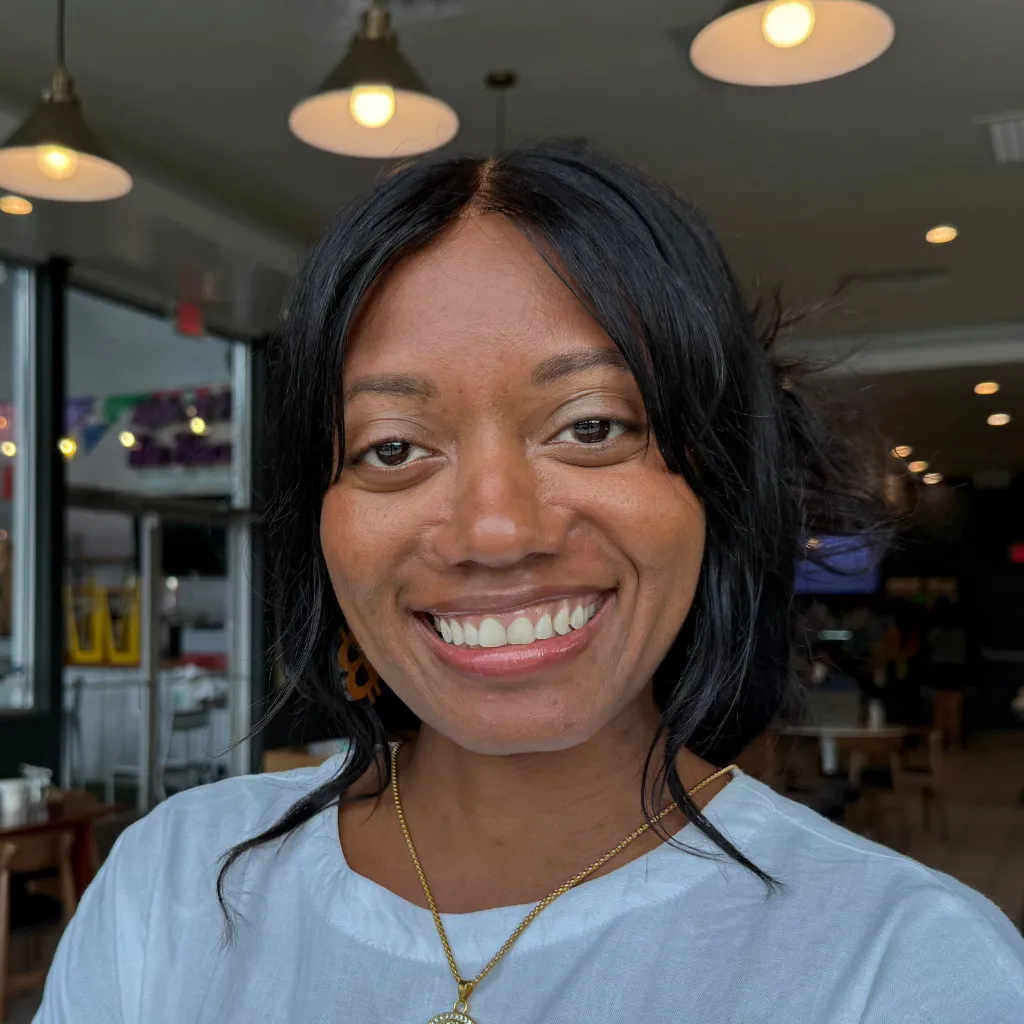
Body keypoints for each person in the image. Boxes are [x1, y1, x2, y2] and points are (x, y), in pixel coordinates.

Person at [36, 143, 1024, 1023]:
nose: (495, 531)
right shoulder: (173, 887)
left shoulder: (899, 966)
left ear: (717, 486)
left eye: (590, 426)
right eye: (392, 446)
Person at [927, 598, 969, 746]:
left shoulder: (935, 633)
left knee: (939, 705)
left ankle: (941, 737)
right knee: (954, 707)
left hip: (939, 669)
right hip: (956, 670)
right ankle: (953, 738)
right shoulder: (960, 635)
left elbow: (929, 649)